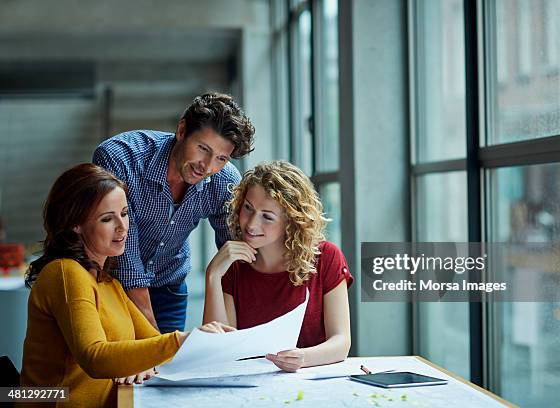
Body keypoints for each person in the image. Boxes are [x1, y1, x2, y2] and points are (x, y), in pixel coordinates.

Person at [20, 164, 234, 408]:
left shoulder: (108, 282)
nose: (123, 227)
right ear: (74, 224)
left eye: (124, 213)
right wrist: (183, 340)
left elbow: (153, 345)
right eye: (107, 219)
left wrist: (147, 361)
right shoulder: (66, 272)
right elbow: (95, 358)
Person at [93, 92, 255, 334]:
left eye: (221, 158)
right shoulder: (121, 158)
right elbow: (125, 254)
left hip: (169, 286)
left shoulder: (225, 180)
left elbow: (236, 252)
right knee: (123, 367)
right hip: (111, 286)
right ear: (181, 130)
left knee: (167, 370)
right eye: (202, 148)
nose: (208, 166)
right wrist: (157, 340)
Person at [203, 161, 352, 372]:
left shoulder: (326, 257)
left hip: (311, 382)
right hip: (249, 386)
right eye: (248, 208)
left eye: (267, 216)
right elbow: (217, 351)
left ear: (291, 222)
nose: (251, 224)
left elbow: (341, 342)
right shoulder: (233, 267)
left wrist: (303, 358)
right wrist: (213, 275)